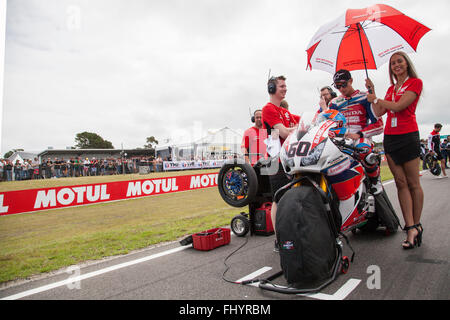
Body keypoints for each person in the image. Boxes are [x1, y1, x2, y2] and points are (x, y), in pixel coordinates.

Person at [365, 51, 424, 250]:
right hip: (390, 138)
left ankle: (415, 225)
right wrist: (372, 94)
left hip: (408, 137)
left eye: (399, 61)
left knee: (413, 183)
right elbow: (380, 111)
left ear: (407, 64)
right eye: (393, 63)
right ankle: (410, 226)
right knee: (400, 183)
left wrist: (377, 98)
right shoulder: (391, 88)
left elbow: (399, 106)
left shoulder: (415, 83)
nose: (396, 65)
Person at [329, 69, 384, 193]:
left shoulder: (365, 97)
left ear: (351, 81)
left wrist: (358, 134)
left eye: (343, 84)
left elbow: (379, 125)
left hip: (361, 137)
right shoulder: (333, 103)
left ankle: (375, 180)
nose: (341, 89)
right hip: (340, 139)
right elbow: (327, 123)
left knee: (364, 151)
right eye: (337, 86)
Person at [261, 75, 300, 251]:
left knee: (291, 198)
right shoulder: (268, 109)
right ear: (271, 89)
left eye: (285, 86)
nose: (285, 89)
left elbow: (303, 121)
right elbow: (284, 133)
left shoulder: (285, 112)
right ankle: (279, 239)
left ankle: (292, 233)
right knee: (279, 198)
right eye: (282, 86)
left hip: (289, 159)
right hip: (275, 161)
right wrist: (298, 128)